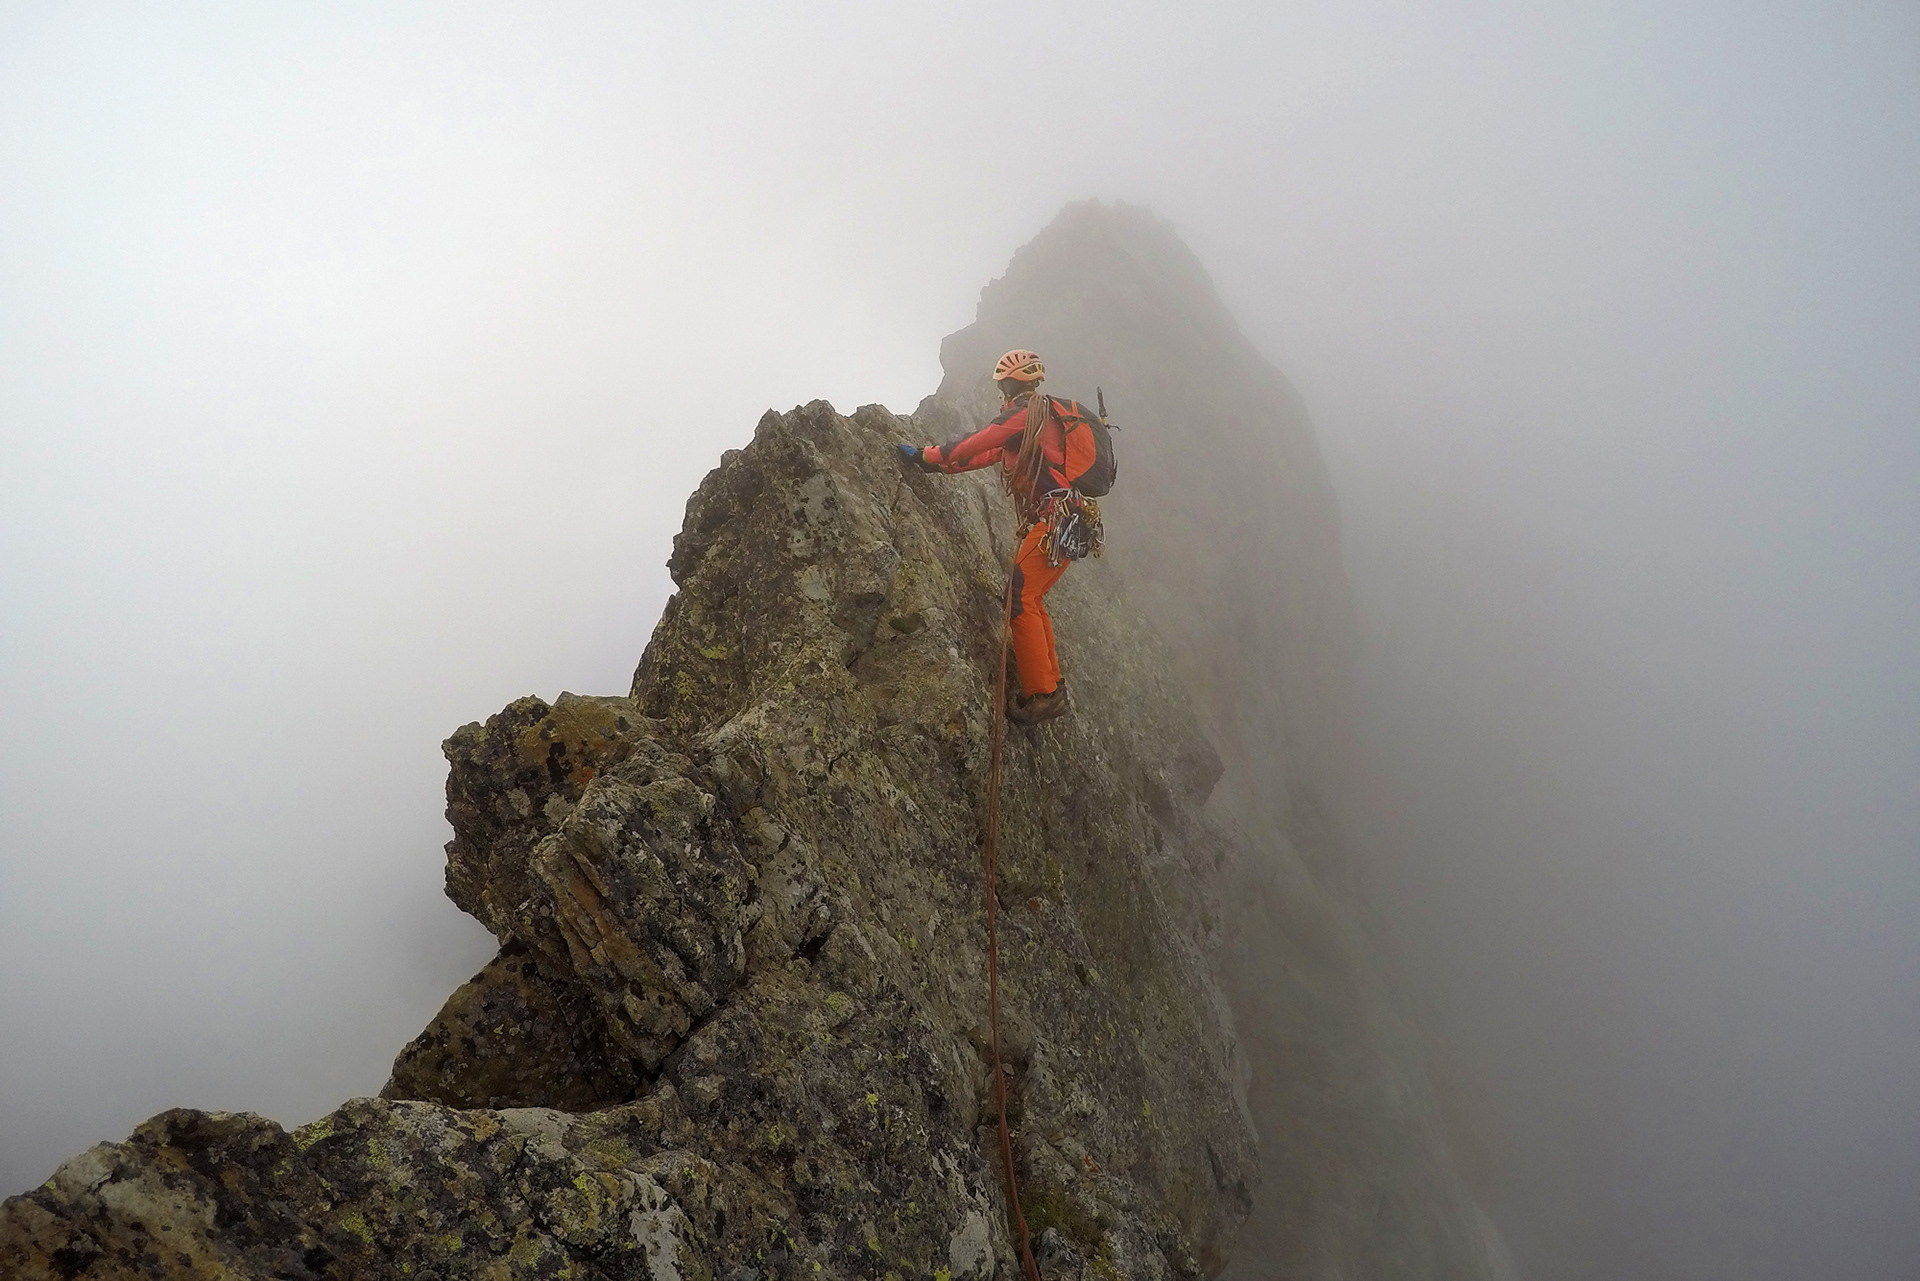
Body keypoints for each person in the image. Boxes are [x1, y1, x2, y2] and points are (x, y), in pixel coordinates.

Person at [899, 349, 1105, 724]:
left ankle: (1042, 693)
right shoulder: (1040, 421)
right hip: (1069, 520)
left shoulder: (1025, 415)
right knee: (1032, 597)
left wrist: (926, 457)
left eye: (1002, 387)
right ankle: (1051, 686)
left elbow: (976, 442)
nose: (1001, 394)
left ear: (1009, 385)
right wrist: (939, 468)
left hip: (1054, 519)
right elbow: (985, 455)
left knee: (1020, 598)